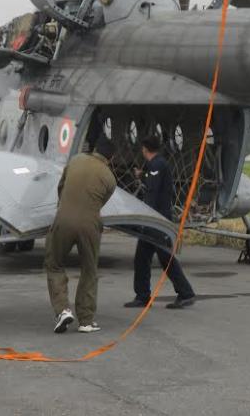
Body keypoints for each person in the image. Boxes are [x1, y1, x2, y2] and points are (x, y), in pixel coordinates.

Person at [45, 136, 117, 334]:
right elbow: (100, 202)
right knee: (89, 270)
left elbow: (61, 188)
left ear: (94, 149)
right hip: (90, 225)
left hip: (64, 220)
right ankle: (86, 321)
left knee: (54, 264)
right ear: (111, 158)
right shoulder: (110, 179)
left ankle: (63, 310)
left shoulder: (75, 160)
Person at [124, 135, 195, 310]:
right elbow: (153, 181)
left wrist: (144, 217)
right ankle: (142, 296)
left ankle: (186, 293)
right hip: (154, 221)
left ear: (144, 149)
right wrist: (143, 176)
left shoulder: (156, 165)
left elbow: (153, 192)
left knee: (165, 258)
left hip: (157, 221)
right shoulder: (158, 165)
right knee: (142, 258)